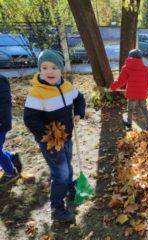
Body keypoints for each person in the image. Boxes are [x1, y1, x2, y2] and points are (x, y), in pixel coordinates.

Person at [24, 49, 86, 222]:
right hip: (51, 143)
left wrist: (78, 114)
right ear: (39, 70)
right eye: (44, 67)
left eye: (53, 67)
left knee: (67, 164)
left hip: (66, 137)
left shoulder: (67, 87)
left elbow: (80, 99)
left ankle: (70, 187)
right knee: (60, 173)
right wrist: (48, 135)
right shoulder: (37, 93)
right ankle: (57, 208)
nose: (49, 71)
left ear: (61, 69)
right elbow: (30, 119)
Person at [110, 49, 148, 130]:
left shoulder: (126, 68)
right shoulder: (145, 68)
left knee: (130, 109)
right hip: (142, 94)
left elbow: (121, 81)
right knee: (144, 108)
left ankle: (129, 123)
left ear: (129, 56)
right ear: (140, 58)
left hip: (132, 94)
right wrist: (146, 88)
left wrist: (112, 88)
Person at [0, 74, 22, 187]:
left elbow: (5, 103)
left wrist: (3, 121)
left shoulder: (1, 80)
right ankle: (12, 156)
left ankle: (11, 172)